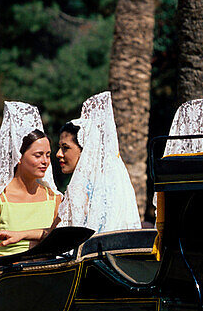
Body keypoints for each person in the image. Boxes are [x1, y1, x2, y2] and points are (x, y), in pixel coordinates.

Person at [0, 101, 62, 255]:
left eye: (48, 155)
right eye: (38, 155)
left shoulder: (54, 198)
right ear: (19, 157)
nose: (45, 161)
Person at [57, 91, 141, 233]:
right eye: (59, 147)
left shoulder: (80, 189)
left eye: (65, 148)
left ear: (85, 151)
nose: (58, 154)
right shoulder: (115, 183)